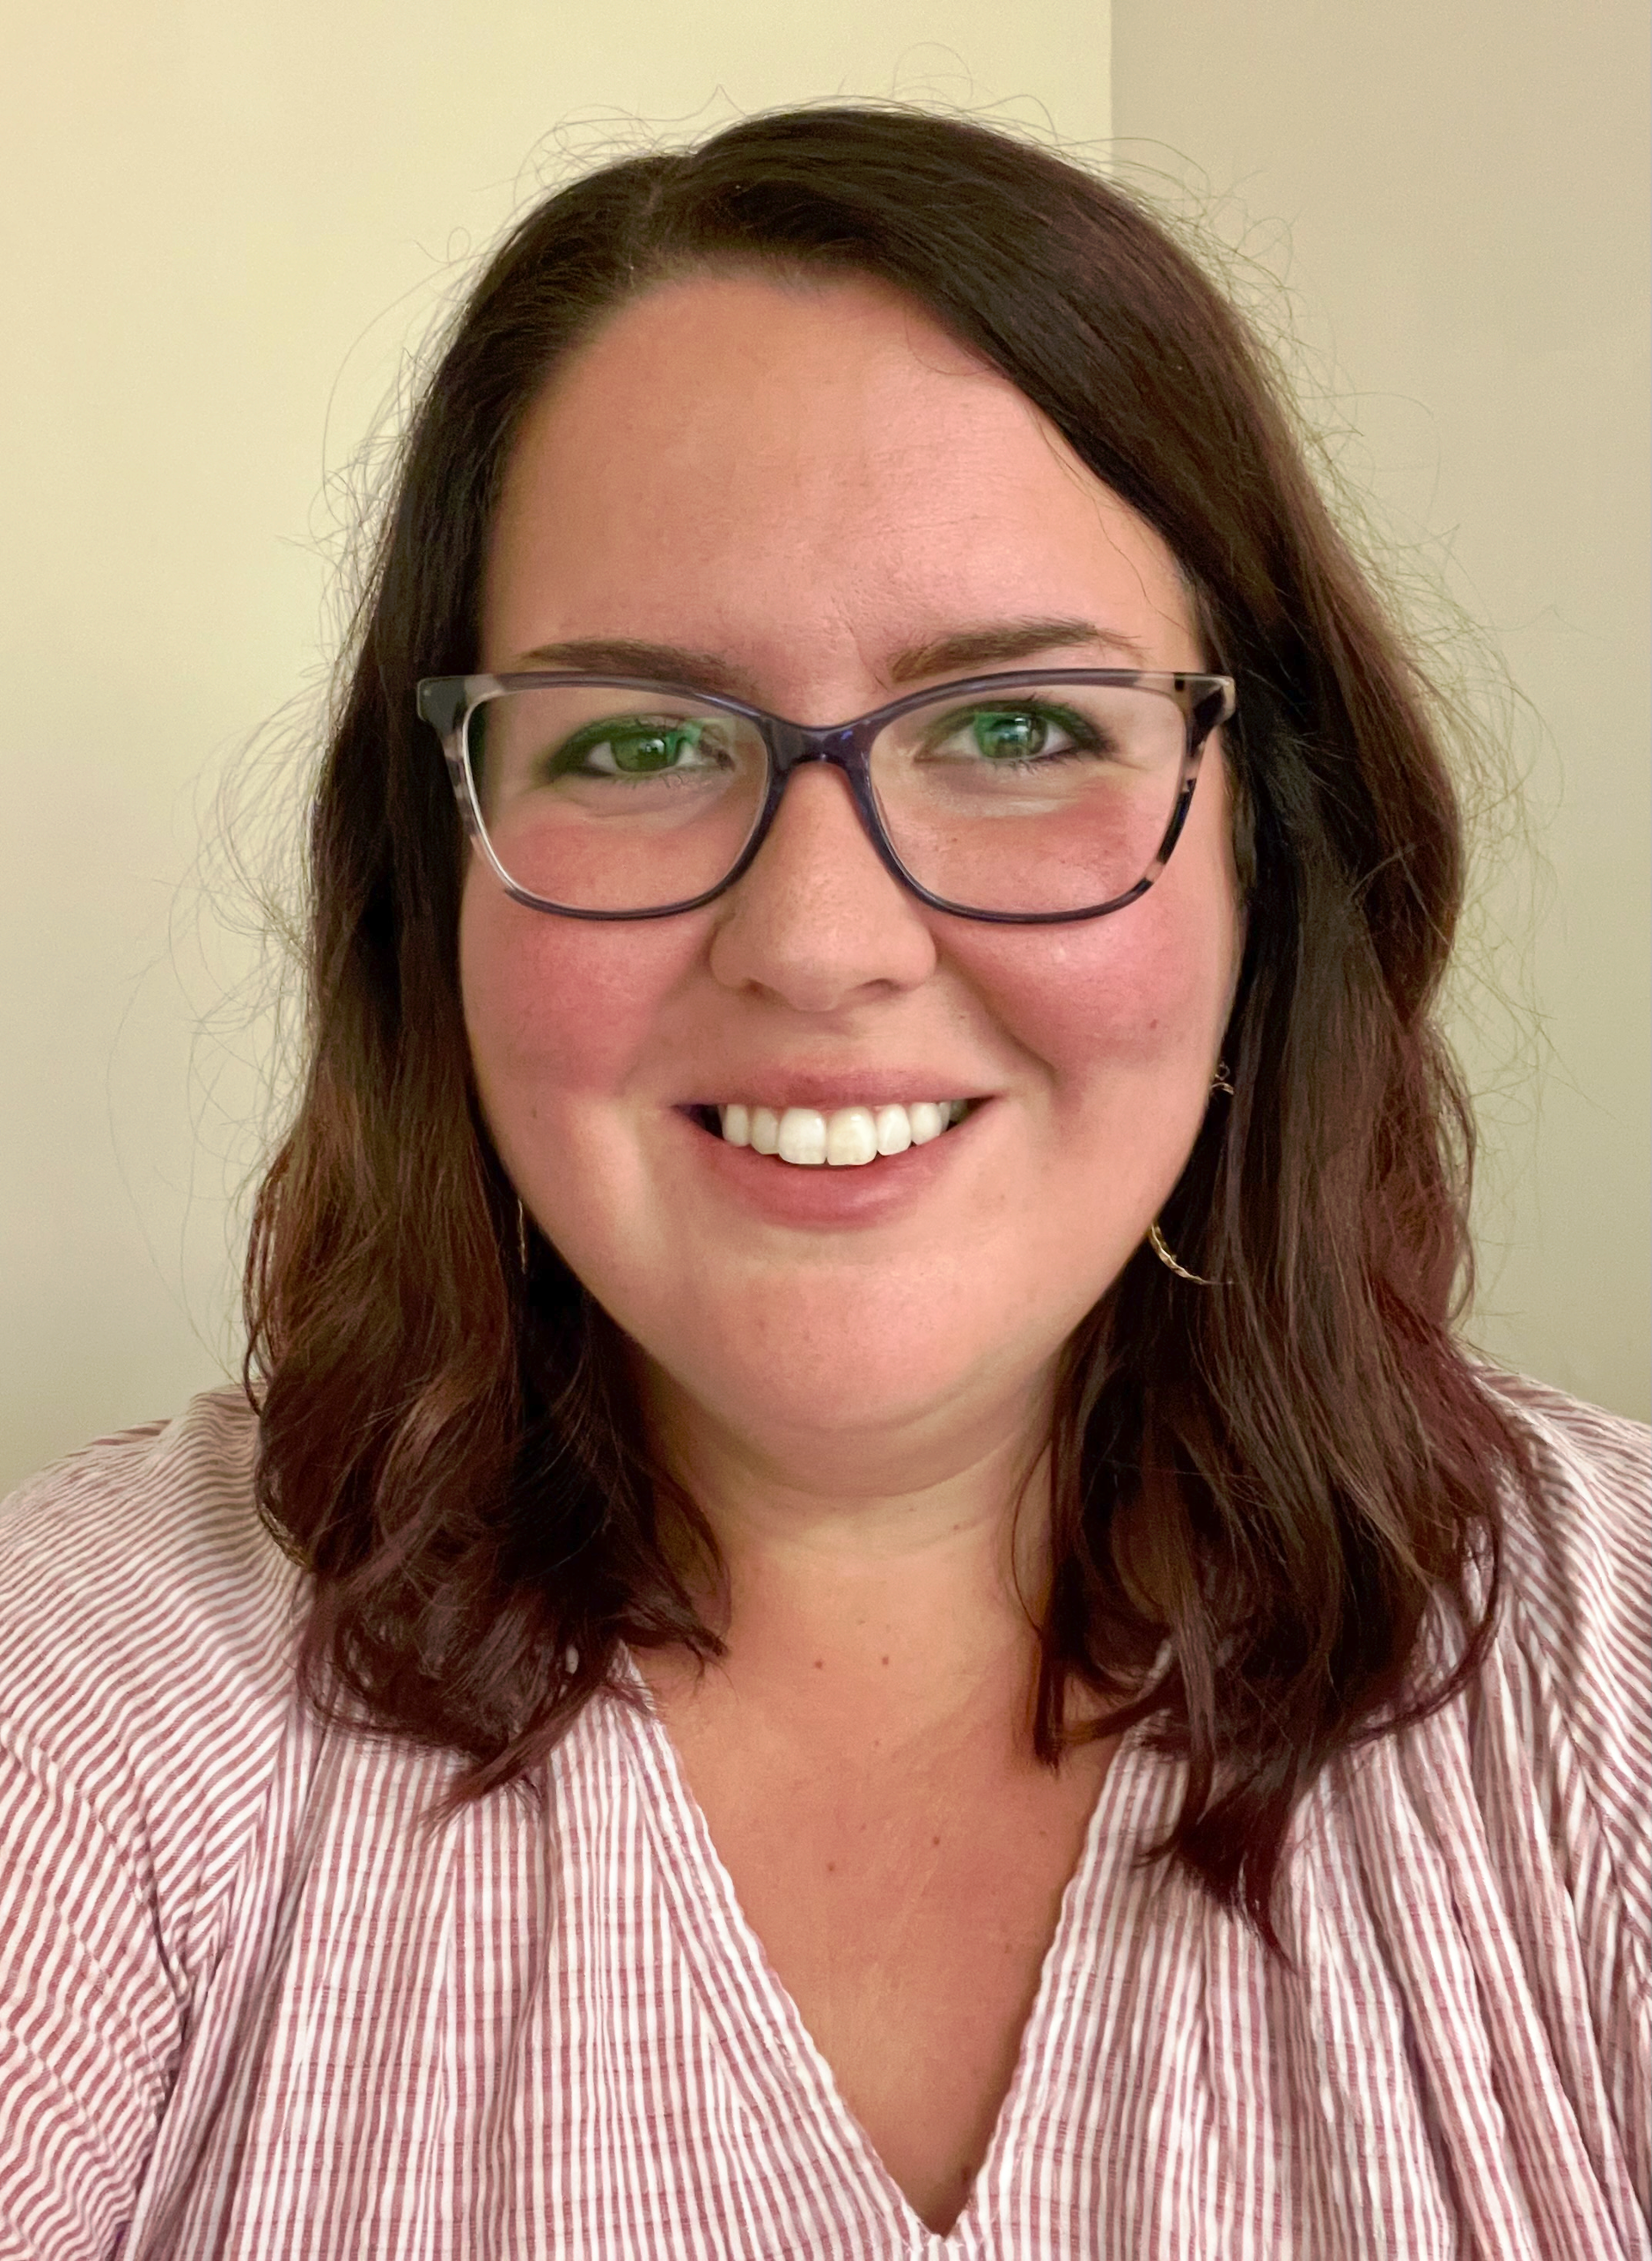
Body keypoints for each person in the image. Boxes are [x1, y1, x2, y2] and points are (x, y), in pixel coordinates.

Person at [0, 105, 1645, 2261]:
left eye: (1025, 729)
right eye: (638, 743)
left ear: (1271, 849)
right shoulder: (99, 1716)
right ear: (441, 887)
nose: (823, 940)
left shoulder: (1603, 1696)